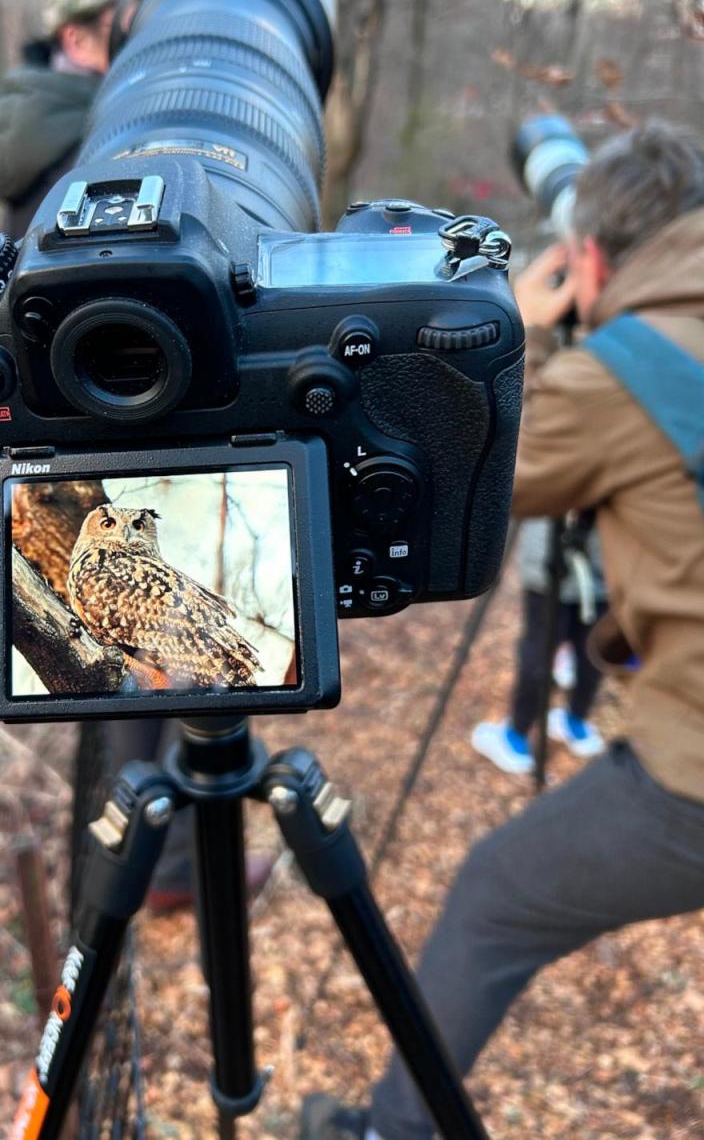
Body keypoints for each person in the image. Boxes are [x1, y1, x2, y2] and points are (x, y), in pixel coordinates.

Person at [301, 121, 704, 1139]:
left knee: (493, 895)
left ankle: (394, 1131)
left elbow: (453, 482)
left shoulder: (623, 377)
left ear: (595, 256)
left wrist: (510, 338)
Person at [0, 0, 135, 239]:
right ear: (77, 40)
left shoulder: (50, 123)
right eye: (122, 22)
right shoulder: (86, 144)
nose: (138, 34)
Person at [471, 516, 607, 773]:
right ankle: (576, 722)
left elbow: (526, 492)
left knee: (542, 650)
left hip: (553, 562)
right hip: (605, 560)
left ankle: (516, 737)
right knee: (592, 648)